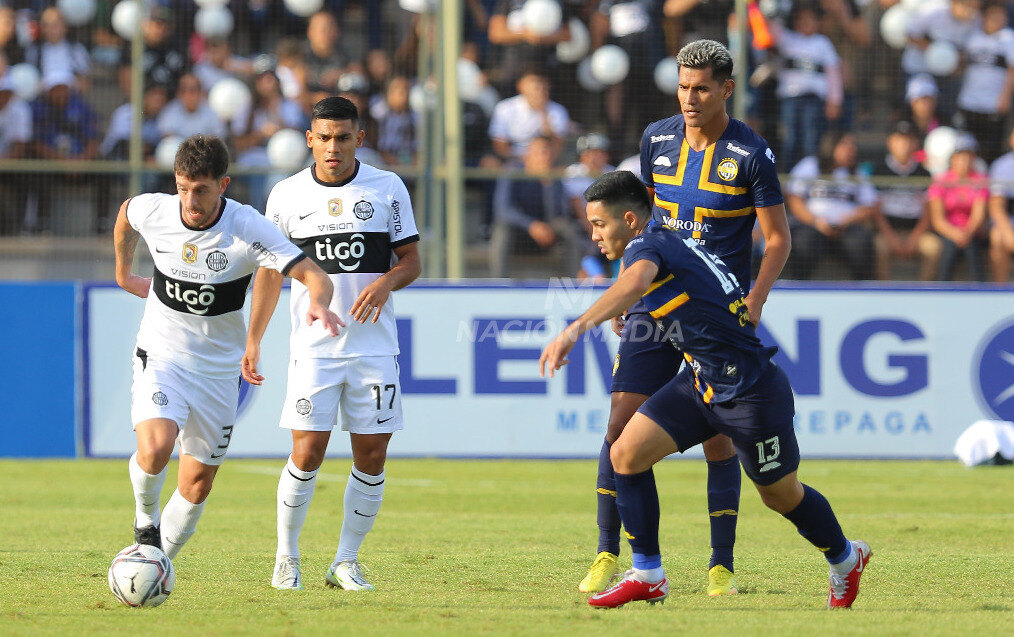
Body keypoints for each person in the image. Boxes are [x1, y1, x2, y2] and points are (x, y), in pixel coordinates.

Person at [539, 170, 871, 610]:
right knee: (625, 453)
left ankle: (846, 558)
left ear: (631, 221)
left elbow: (636, 282)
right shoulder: (661, 242)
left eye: (600, 224)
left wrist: (576, 328)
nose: (593, 233)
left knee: (779, 494)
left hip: (750, 392)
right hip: (701, 383)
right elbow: (655, 289)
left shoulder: (649, 245)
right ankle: (649, 573)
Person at [578, 39, 791, 597]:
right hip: (656, 303)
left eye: (701, 88)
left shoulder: (751, 153)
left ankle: (721, 564)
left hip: (716, 313)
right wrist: (627, 293)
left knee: (718, 438)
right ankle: (608, 554)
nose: (689, 98)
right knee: (620, 424)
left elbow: (776, 240)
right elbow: (641, 224)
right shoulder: (657, 138)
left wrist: (758, 299)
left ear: (726, 88)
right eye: (682, 87)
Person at [113, 134, 342, 563]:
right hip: (162, 355)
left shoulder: (247, 227)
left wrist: (319, 302)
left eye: (200, 189)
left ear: (223, 184)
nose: (190, 200)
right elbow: (126, 215)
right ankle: (146, 523)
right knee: (157, 447)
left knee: (197, 484)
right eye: (182, 187)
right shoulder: (157, 209)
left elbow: (314, 274)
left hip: (219, 373)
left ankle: (162, 564)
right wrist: (125, 273)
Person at [243, 97, 422, 592]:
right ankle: (286, 557)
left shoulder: (388, 188)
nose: (333, 148)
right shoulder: (284, 195)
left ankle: (345, 560)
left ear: (358, 139)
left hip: (374, 348)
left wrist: (386, 283)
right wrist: (254, 338)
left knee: (372, 454)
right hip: (315, 348)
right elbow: (269, 275)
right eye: (324, 138)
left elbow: (410, 261)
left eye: (343, 138)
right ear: (309, 139)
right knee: (308, 451)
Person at [785, 131, 877, 280]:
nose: (851, 149)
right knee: (803, 242)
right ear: (832, 146)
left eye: (853, 145)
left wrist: (848, 220)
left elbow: (870, 206)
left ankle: (862, 291)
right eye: (846, 144)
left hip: (847, 229)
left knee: (862, 242)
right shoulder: (811, 165)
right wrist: (816, 221)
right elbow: (794, 199)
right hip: (813, 226)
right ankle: (799, 288)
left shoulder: (857, 172)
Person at [490, 134, 583, 277]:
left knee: (569, 229)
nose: (545, 156)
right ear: (528, 154)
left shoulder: (554, 178)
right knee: (502, 231)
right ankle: (498, 284)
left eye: (548, 152)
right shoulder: (512, 172)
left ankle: (574, 282)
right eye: (540, 151)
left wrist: (548, 184)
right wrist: (531, 225)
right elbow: (503, 209)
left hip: (547, 235)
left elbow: (559, 214)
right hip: (520, 234)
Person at [871, 121, 941, 280]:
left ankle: (923, 294)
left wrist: (914, 238)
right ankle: (884, 293)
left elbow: (928, 209)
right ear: (890, 142)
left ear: (915, 143)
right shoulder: (878, 170)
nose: (904, 144)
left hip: (915, 232)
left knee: (934, 247)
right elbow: (875, 210)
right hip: (887, 231)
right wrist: (891, 238)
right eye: (899, 139)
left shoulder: (924, 173)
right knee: (878, 247)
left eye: (909, 140)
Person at [927, 134, 990, 280]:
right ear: (952, 159)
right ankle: (941, 291)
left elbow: (978, 215)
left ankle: (980, 291)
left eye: (968, 156)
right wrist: (955, 234)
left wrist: (966, 233)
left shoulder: (980, 180)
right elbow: (938, 219)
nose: (964, 161)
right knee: (948, 250)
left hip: (972, 233)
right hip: (947, 232)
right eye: (960, 156)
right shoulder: (941, 181)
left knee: (972, 250)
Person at [988, 127, 1014, 282]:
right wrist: (1010, 237)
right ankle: (1001, 290)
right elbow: (997, 207)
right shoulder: (1002, 166)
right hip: (1009, 223)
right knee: (998, 237)